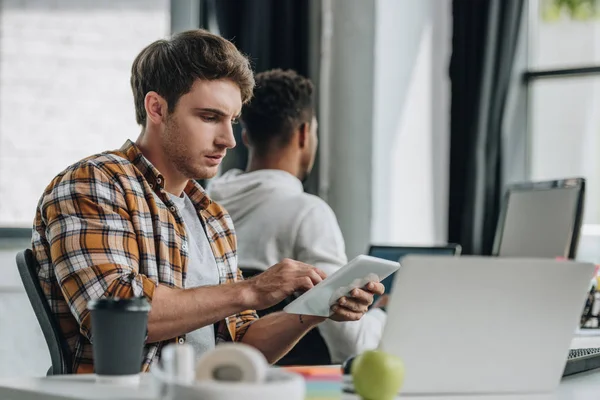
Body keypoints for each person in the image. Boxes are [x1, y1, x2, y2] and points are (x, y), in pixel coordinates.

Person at [31, 30, 383, 374]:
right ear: (156, 107)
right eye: (209, 117)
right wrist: (251, 290)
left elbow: (240, 347)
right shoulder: (94, 183)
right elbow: (116, 314)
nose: (229, 140)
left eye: (232, 121)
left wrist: (317, 306)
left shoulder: (212, 217)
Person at [208, 69, 387, 364]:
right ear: (305, 134)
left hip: (214, 372)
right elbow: (350, 345)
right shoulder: (306, 212)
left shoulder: (206, 203)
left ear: (246, 137)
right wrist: (382, 315)